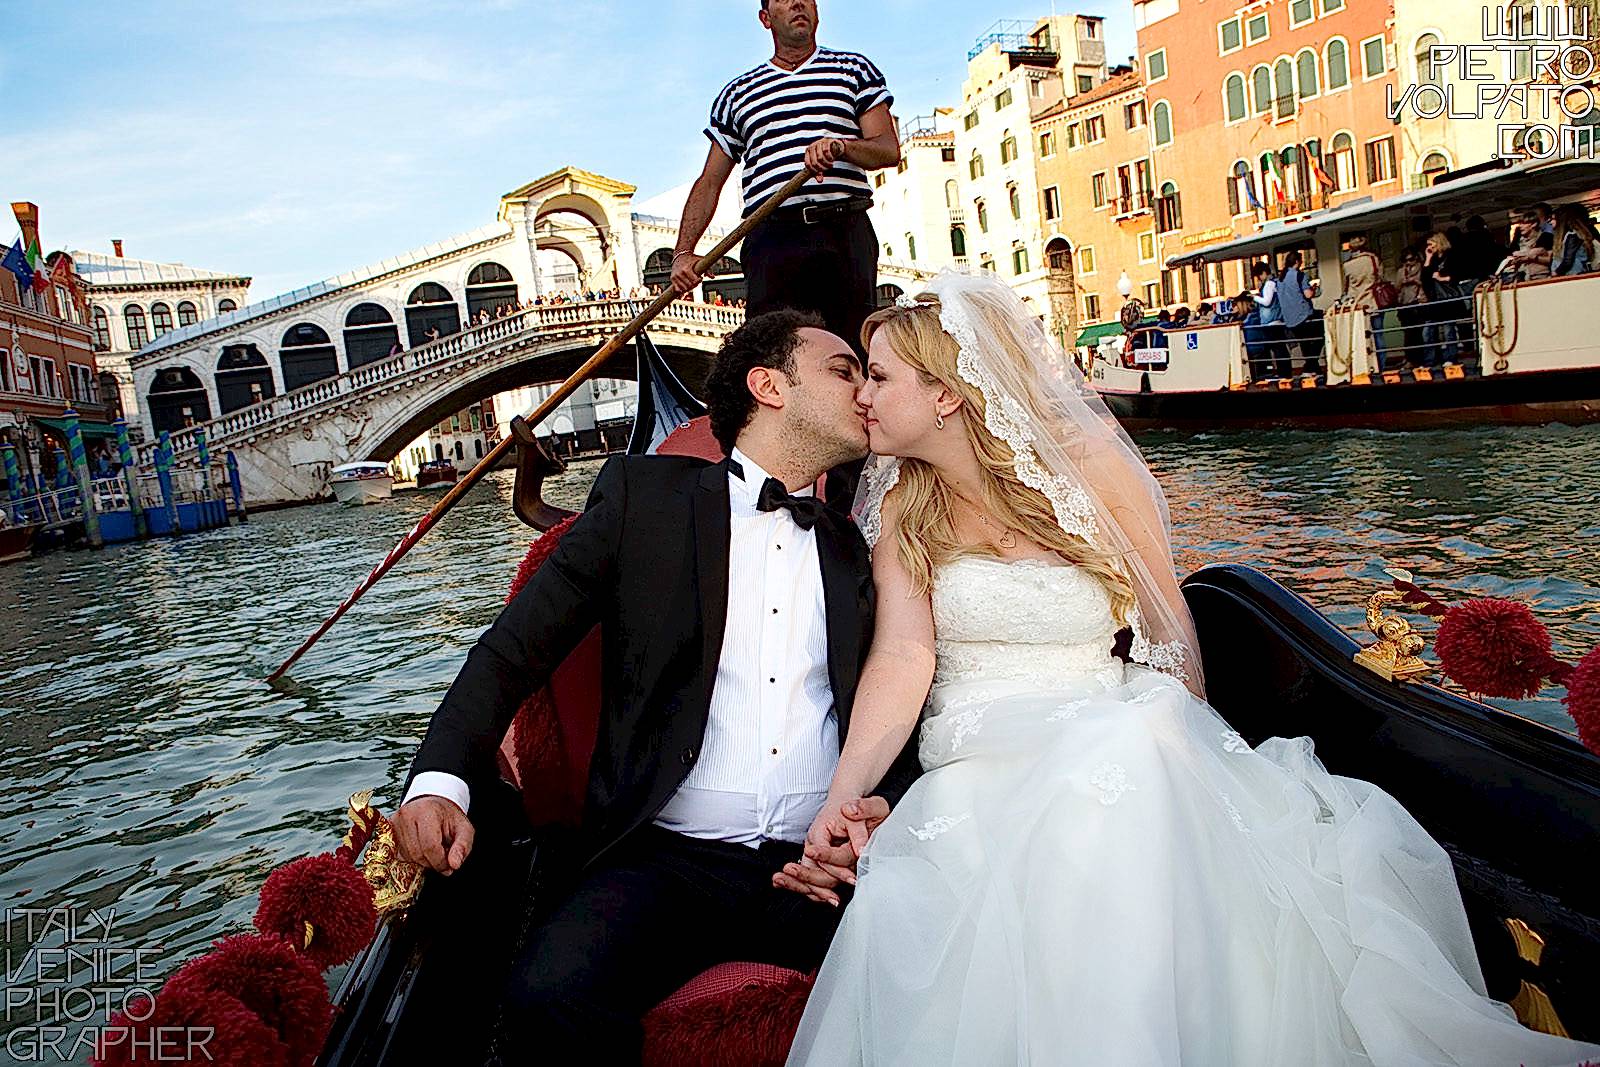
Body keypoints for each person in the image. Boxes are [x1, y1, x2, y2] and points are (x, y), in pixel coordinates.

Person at [779, 271, 1600, 1067]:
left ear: (946, 393)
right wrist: (842, 795)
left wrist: (1194, 751)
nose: (862, 394)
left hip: (1109, 733)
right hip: (975, 760)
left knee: (1123, 762)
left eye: (879, 375)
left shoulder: (1091, 474)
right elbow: (904, 652)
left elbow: (1168, 634)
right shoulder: (902, 505)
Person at [391, 310, 921, 1064]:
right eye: (845, 370)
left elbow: (892, 702)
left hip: (818, 865)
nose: (866, 390)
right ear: (769, 386)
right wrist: (438, 783)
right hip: (668, 860)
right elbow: (511, 652)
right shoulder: (645, 500)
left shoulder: (851, 542)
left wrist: (875, 813)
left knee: (936, 969)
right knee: (546, 995)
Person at [1420, 230, 1465, 366]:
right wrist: (1427, 258)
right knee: (1428, 331)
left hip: (1447, 297)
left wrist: (1443, 278)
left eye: (1432, 244)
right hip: (1434, 298)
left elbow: (1458, 273)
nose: (1430, 247)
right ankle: (1430, 360)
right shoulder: (1432, 259)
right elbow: (1424, 278)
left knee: (1448, 330)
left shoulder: (1451, 255)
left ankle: (1451, 358)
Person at [1277, 250, 1322, 371]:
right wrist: (1314, 289)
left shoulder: (1280, 279)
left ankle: (1313, 370)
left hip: (1289, 320)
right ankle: (1309, 367)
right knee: (1321, 336)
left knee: (1305, 343)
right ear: (1297, 262)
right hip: (1303, 315)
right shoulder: (1300, 275)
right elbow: (1307, 295)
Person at [1250, 262, 1291, 377]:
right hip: (1276, 321)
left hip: (1271, 322)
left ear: (1263, 273)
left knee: (1278, 349)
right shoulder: (1275, 282)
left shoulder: (1269, 284)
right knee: (1280, 348)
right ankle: (1284, 372)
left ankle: (1284, 373)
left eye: (1259, 276)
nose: (1259, 279)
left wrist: (1255, 297)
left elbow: (1267, 302)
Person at [1552, 203, 1597, 276]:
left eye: (1553, 219)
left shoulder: (1572, 236)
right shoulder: (1568, 236)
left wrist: (1556, 272)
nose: (1551, 222)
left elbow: (1568, 260)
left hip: (1575, 273)